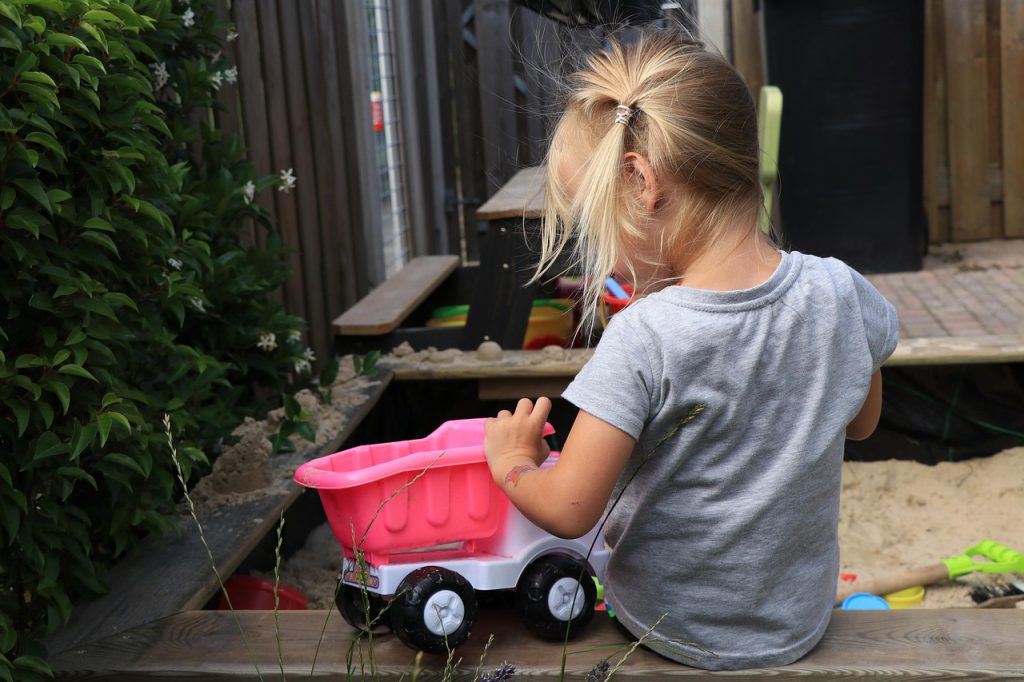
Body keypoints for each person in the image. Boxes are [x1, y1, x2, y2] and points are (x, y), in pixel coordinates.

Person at [483, 31, 899, 670]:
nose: (608, 259)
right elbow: (864, 422)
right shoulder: (841, 290)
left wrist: (513, 462)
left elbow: (568, 509)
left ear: (641, 181)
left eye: (597, 228)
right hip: (797, 625)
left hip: (671, 630)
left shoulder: (644, 336)